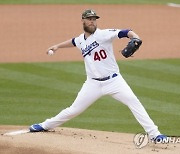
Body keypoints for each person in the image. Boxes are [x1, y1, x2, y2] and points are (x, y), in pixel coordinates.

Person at [29, 9, 166, 142]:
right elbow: (73, 41)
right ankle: (45, 125)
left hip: (114, 81)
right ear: (83, 20)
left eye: (94, 19)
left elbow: (125, 32)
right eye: (89, 19)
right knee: (74, 110)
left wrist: (135, 37)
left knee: (134, 102)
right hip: (92, 84)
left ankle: (155, 134)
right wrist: (57, 46)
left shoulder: (103, 34)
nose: (92, 22)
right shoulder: (81, 40)